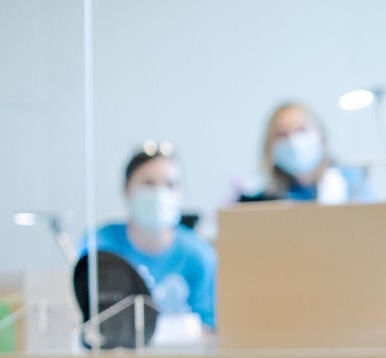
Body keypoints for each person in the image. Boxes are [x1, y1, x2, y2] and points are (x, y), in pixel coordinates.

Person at [87, 141, 217, 329]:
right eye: (148, 183)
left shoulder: (200, 255)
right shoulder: (101, 245)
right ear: (127, 188)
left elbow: (210, 328)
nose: (159, 194)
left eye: (170, 184)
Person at [235, 101, 368, 203]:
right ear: (270, 145)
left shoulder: (352, 185)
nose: (293, 141)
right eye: (282, 134)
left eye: (301, 130)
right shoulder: (259, 200)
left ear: (321, 135)